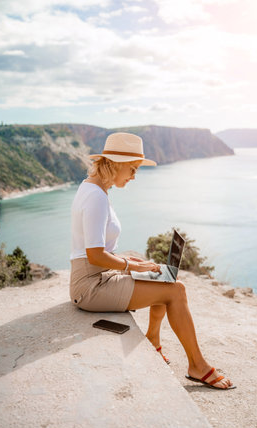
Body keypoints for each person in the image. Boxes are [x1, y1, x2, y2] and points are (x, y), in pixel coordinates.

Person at [70, 132, 235, 390]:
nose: (134, 176)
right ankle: (197, 366)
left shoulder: (93, 188)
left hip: (96, 276)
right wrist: (132, 266)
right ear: (115, 164)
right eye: (133, 169)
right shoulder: (96, 197)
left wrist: (131, 259)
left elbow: (92, 251)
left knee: (160, 273)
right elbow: (94, 255)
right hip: (90, 287)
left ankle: (154, 342)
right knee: (175, 290)